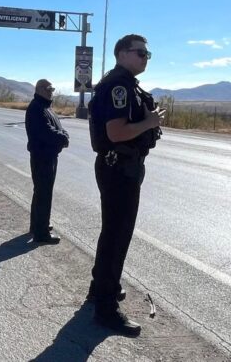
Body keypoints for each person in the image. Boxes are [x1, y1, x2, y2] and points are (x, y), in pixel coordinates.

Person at [88, 34, 165, 336]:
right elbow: (117, 132)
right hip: (119, 167)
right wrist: (151, 122)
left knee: (112, 232)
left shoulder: (125, 83)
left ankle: (100, 288)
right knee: (117, 236)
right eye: (140, 53)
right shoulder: (118, 86)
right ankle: (105, 309)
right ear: (122, 54)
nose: (145, 58)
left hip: (122, 166)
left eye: (148, 53)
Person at [25, 79, 69, 244]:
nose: (51, 91)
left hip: (49, 155)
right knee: (43, 193)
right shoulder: (37, 108)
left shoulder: (45, 107)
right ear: (40, 89)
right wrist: (63, 139)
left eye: (52, 88)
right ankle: (41, 234)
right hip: (42, 156)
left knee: (42, 191)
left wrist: (64, 135)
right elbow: (45, 132)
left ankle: (38, 224)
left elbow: (58, 127)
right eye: (49, 88)